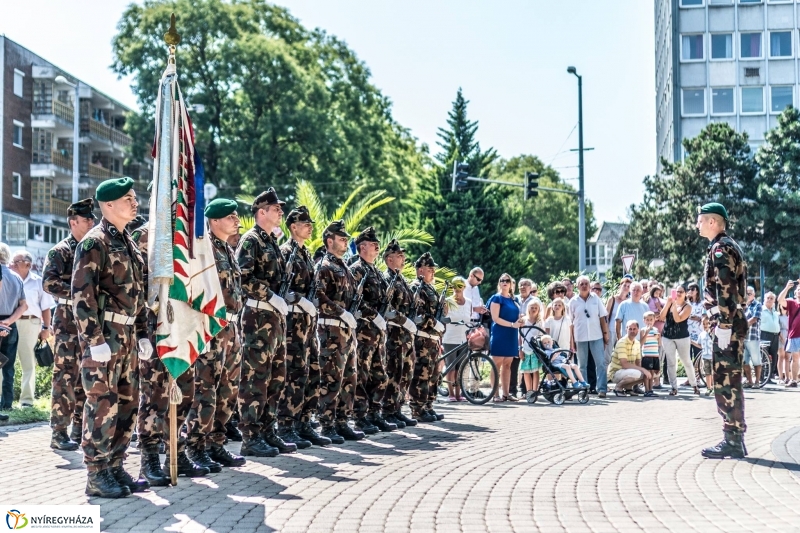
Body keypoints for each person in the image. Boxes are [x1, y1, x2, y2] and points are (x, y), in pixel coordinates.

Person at [72, 177, 151, 498]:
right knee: (102, 405)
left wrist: (143, 333)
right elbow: (82, 296)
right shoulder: (94, 243)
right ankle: (96, 473)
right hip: (105, 336)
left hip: (129, 335)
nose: (134, 202)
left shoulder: (128, 242)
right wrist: (94, 340)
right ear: (108, 206)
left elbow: (139, 295)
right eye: (128, 198)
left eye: (134, 197)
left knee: (127, 404)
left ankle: (115, 466)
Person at [131, 218, 202, 484]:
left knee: (184, 392)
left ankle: (177, 450)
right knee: (155, 396)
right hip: (155, 327)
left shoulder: (187, 239)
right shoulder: (144, 235)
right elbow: (138, 286)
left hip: (182, 328)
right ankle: (149, 458)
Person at [184, 199, 248, 475]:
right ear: (214, 221)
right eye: (230, 216)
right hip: (210, 327)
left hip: (231, 329)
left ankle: (216, 444)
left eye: (235, 216)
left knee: (228, 391)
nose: (236, 220)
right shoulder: (204, 249)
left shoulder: (227, 250)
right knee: (205, 391)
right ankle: (196, 446)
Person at [236, 188, 296, 456]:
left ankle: (267, 431)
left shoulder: (271, 241)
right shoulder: (251, 241)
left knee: (275, 377)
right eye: (276, 208)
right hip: (258, 317)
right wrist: (270, 295)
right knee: (255, 378)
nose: (281, 212)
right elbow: (244, 278)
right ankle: (251, 436)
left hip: (274, 318)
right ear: (262, 212)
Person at [274, 206, 330, 447]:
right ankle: (286, 425)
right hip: (292, 322)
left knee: (311, 372)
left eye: (310, 224)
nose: (310, 227)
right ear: (293, 226)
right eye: (305, 224)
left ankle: (304, 422)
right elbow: (281, 287)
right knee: (293, 374)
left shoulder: (305, 254)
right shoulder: (285, 252)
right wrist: (299, 299)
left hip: (308, 324)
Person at [697, 202, 749, 459]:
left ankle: (733, 439)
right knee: (730, 382)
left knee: (726, 384)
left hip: (727, 323)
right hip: (729, 322)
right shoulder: (725, 245)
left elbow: (725, 288)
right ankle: (735, 437)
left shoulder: (721, 248)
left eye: (701, 220)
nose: (698, 225)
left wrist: (725, 326)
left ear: (713, 222)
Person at [42, 198, 95, 447]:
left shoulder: (91, 248)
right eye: (87, 219)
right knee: (65, 376)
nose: (92, 222)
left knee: (87, 375)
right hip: (67, 320)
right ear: (73, 222)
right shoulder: (60, 251)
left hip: (89, 321)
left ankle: (78, 429)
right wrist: (80, 293)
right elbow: (49, 283)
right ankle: (59, 432)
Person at [314, 220, 363, 441]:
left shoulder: (344, 267)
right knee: (331, 379)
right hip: (331, 330)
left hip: (346, 332)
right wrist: (341, 312)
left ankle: (342, 420)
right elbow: (319, 297)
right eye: (341, 239)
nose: (345, 242)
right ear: (329, 240)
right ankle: (327, 424)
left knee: (348, 378)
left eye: (346, 239)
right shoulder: (324, 266)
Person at [350, 227, 396, 434]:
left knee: (379, 374)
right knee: (362, 374)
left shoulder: (375, 271)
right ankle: (360, 417)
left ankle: (373, 414)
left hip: (378, 333)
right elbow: (356, 301)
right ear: (361, 247)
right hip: (364, 331)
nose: (377, 245)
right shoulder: (357, 269)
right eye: (372, 243)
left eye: (377, 243)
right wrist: (374, 315)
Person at [380, 239, 418, 428]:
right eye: (399, 256)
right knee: (394, 371)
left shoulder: (401, 279)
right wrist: (404, 321)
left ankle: (397, 409)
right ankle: (388, 410)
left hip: (406, 336)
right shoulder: (388, 280)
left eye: (403, 255)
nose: (403, 258)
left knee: (405, 373)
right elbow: (387, 308)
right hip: (394, 334)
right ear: (389, 260)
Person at [9, 250, 54, 408]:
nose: (11, 264)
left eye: (16, 262)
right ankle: (5, 399)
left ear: (27, 264)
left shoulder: (38, 282)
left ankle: (26, 401)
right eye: (12, 261)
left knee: (28, 362)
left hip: (31, 323)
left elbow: (46, 308)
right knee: (6, 361)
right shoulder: (9, 279)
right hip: (10, 323)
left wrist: (46, 328)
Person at [409, 253, 447, 421]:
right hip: (422, 338)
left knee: (433, 374)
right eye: (430, 269)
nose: (433, 272)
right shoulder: (416, 287)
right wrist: (433, 323)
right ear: (420, 270)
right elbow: (418, 314)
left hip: (432, 339)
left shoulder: (430, 288)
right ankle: (417, 408)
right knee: (421, 374)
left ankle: (428, 405)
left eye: (433, 269)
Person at [569, 276, 610, 398]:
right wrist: (572, 341)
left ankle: (602, 389)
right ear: (577, 286)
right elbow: (570, 323)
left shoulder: (595, 299)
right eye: (581, 283)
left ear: (589, 285)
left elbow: (602, 317)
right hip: (580, 337)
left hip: (596, 335)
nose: (584, 285)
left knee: (601, 364)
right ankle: (583, 389)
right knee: (582, 366)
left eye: (586, 283)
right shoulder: (573, 302)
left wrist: (605, 334)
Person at [487, 273, 524, 402]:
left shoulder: (514, 300)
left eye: (507, 280)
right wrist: (512, 324)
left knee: (508, 364)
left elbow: (517, 315)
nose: (505, 282)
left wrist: (520, 321)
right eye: (502, 280)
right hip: (500, 333)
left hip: (512, 334)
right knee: (496, 364)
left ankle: (506, 394)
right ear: (499, 283)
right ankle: (495, 394)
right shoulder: (497, 298)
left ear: (511, 284)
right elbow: (495, 318)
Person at [0, 243, 27, 416]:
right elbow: (24, 306)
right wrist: (8, 322)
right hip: (11, 324)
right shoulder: (16, 277)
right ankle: (7, 404)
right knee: (8, 367)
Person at [660, 284, 700, 396]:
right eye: (676, 291)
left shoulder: (687, 307)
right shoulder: (669, 303)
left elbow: (678, 319)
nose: (678, 294)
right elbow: (662, 317)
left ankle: (694, 385)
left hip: (682, 337)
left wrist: (673, 307)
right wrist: (668, 303)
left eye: (681, 292)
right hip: (667, 336)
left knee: (686, 361)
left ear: (685, 294)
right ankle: (673, 387)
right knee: (671, 363)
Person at [442, 276, 471, 402]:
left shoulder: (469, 302)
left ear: (464, 287)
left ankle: (459, 394)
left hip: (463, 339)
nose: (457, 289)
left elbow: (469, 319)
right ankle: (451, 394)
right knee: (451, 367)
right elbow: (443, 319)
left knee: (460, 367)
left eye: (460, 286)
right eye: (454, 286)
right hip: (450, 338)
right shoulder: (448, 301)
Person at [608, 320, 651, 397]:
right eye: (630, 329)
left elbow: (638, 362)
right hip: (616, 372)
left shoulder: (637, 343)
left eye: (634, 329)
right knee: (638, 373)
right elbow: (624, 364)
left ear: (638, 330)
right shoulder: (622, 342)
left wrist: (645, 371)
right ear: (626, 330)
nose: (632, 331)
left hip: (626, 371)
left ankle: (628, 388)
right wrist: (643, 370)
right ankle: (618, 387)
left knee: (649, 374)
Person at [604, 276, 632, 371]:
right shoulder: (612, 299)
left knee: (623, 357)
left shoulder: (629, 302)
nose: (626, 287)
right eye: (625, 285)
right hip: (611, 331)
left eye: (629, 286)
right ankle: (604, 380)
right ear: (620, 286)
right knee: (607, 356)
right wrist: (606, 331)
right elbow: (606, 317)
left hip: (624, 333)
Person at [777, 280, 800, 388]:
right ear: (795, 293)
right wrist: (787, 287)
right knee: (795, 358)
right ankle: (794, 380)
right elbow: (780, 300)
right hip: (794, 334)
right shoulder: (792, 303)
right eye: (798, 290)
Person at [519, 301, 545, 400]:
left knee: (535, 371)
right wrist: (520, 349)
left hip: (535, 350)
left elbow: (541, 336)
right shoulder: (523, 321)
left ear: (538, 310)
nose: (533, 309)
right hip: (525, 348)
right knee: (526, 371)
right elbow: (520, 336)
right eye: (532, 307)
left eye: (535, 308)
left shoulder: (540, 322)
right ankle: (529, 392)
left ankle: (535, 392)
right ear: (528, 308)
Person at [741, 286, 763, 388]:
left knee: (756, 361)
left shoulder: (757, 304)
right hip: (743, 338)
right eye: (746, 294)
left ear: (754, 295)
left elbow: (754, 318)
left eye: (749, 294)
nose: (747, 296)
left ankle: (757, 382)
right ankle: (749, 381)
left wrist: (743, 326)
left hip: (753, 337)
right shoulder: (742, 306)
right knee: (745, 361)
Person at [760, 292, 781, 383]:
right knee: (763, 356)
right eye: (768, 298)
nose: (769, 300)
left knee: (774, 356)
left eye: (771, 298)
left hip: (775, 336)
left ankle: (769, 376)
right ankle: (761, 377)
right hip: (764, 334)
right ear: (764, 299)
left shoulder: (775, 312)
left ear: (774, 300)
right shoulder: (760, 310)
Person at [639, 311, 660, 395]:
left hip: (655, 354)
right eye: (647, 320)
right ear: (644, 320)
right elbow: (641, 343)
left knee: (652, 373)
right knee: (647, 373)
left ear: (654, 320)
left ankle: (650, 390)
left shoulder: (656, 330)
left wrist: (658, 337)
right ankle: (646, 390)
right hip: (647, 355)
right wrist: (647, 332)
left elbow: (659, 343)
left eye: (651, 320)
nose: (649, 322)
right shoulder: (643, 330)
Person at [699, 317, 714, 396]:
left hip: (713, 356)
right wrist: (690, 342)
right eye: (703, 324)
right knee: (707, 373)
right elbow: (699, 345)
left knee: (714, 373)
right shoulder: (701, 334)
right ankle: (709, 387)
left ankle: (715, 388)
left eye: (707, 323)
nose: (705, 325)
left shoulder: (713, 333)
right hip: (705, 356)